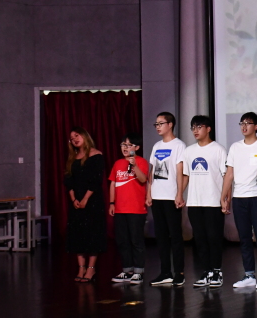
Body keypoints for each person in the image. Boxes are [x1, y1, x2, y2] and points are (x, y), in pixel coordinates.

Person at [221, 112, 257, 289]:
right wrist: (224, 196)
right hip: (239, 197)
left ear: (256, 126)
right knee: (244, 237)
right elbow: (229, 174)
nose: (244, 126)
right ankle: (249, 274)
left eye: (248, 123)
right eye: (241, 123)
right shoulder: (235, 147)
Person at [178, 115, 228, 289]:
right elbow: (186, 175)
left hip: (213, 201)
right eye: (193, 127)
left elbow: (226, 176)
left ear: (208, 129)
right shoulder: (189, 151)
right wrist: (179, 194)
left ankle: (217, 271)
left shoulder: (218, 150)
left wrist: (225, 198)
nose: (195, 130)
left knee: (214, 237)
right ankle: (206, 271)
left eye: (199, 127)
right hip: (194, 201)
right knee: (199, 238)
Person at [146, 112, 187, 287]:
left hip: (171, 196)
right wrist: (149, 193)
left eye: (160, 123)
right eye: (156, 124)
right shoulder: (156, 146)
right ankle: (165, 272)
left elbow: (180, 172)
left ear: (170, 125)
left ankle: (179, 273)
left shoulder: (179, 145)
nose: (157, 127)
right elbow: (152, 171)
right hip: (157, 196)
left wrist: (179, 194)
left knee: (175, 235)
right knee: (161, 236)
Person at [64, 127, 107, 283]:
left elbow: (96, 180)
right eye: (72, 138)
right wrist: (73, 198)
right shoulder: (72, 157)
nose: (74, 139)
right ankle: (81, 268)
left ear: (84, 136)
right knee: (78, 234)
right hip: (76, 201)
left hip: (92, 200)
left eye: (77, 135)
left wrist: (85, 199)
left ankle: (91, 268)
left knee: (93, 233)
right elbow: (68, 180)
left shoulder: (96, 155)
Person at [109, 133, 149, 285]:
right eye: (123, 145)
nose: (125, 148)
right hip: (120, 209)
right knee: (122, 241)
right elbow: (113, 183)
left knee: (136, 240)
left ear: (137, 147)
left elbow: (143, 179)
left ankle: (138, 271)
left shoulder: (141, 162)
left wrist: (134, 165)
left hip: (136, 209)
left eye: (129, 145)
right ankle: (127, 270)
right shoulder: (117, 163)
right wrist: (111, 203)